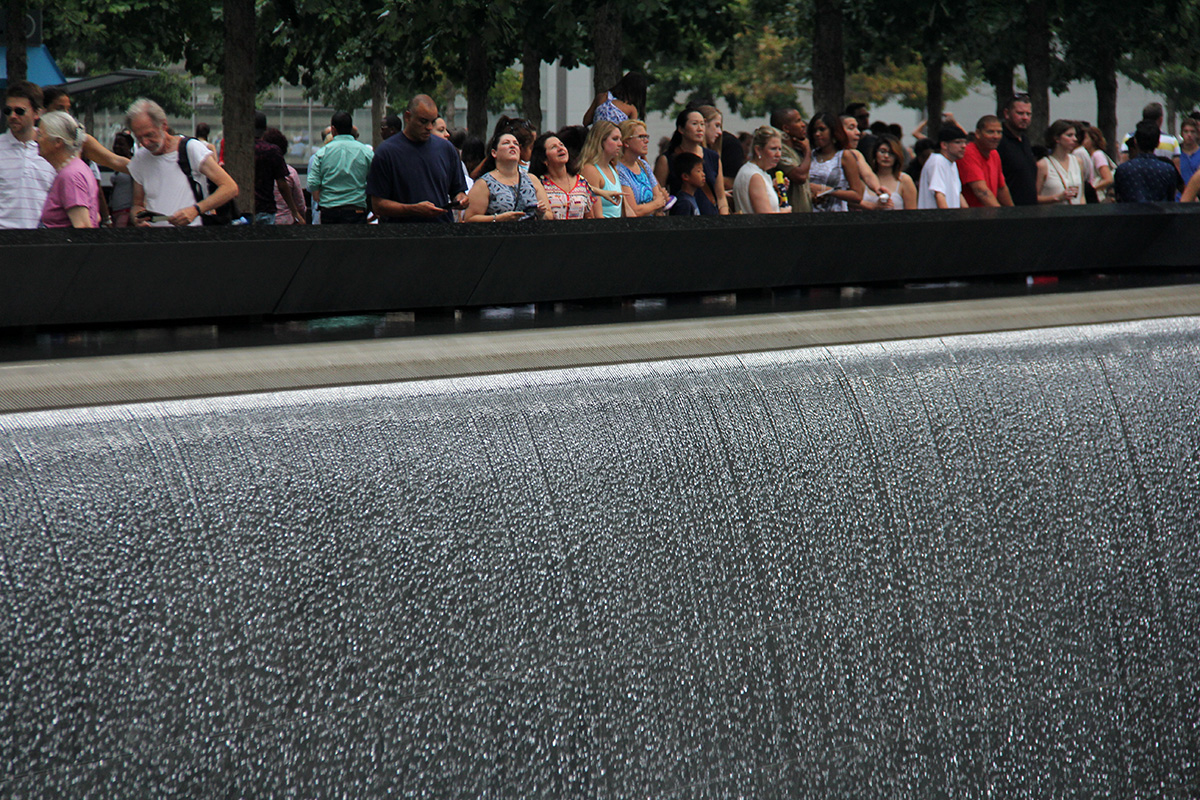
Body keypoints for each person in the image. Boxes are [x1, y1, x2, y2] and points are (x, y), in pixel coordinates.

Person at [126, 97, 239, 227]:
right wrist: (138, 217)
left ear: (163, 125)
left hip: (192, 234)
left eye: (149, 135)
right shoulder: (140, 158)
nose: (145, 142)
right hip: (157, 237)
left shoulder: (191, 148)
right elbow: (137, 204)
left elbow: (230, 187)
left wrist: (196, 210)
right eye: (139, 137)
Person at [365, 94, 467, 223]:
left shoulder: (446, 149)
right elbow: (377, 205)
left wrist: (461, 199)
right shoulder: (386, 152)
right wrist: (412, 209)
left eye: (432, 122)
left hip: (440, 230)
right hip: (401, 232)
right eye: (423, 121)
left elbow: (458, 190)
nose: (429, 127)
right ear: (408, 117)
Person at [1, 81, 56, 229]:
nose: (12, 116)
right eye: (8, 110)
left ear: (37, 113)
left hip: (41, 237)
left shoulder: (52, 147)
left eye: (19, 111)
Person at [462, 131, 551, 222]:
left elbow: (549, 215)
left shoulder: (532, 179)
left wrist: (541, 214)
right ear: (494, 153)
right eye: (506, 143)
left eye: (516, 144)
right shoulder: (484, 183)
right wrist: (498, 218)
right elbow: (469, 219)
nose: (512, 146)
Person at [40, 85, 131, 174]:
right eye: (59, 108)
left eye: (67, 109)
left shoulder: (79, 139)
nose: (65, 113)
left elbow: (115, 161)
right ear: (43, 109)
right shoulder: (36, 139)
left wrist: (138, 170)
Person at [654, 108, 728, 215]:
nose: (700, 129)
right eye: (694, 124)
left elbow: (721, 198)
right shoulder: (667, 159)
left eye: (702, 124)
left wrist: (724, 219)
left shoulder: (713, 157)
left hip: (712, 219)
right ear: (681, 129)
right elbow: (657, 195)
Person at [35, 111, 100, 228]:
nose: (36, 140)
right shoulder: (76, 168)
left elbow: (83, 227)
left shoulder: (70, 175)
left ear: (58, 142)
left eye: (40, 135)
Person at [308, 111, 374, 224]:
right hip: (356, 209)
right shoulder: (366, 152)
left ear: (333, 129)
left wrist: (319, 197)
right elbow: (375, 179)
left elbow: (313, 182)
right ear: (351, 128)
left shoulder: (322, 153)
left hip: (329, 210)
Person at [528, 132, 594, 219]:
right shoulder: (539, 184)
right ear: (544, 159)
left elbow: (589, 217)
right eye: (553, 147)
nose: (560, 148)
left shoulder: (582, 182)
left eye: (561, 145)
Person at [253, 111, 304, 224]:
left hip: (243, 209)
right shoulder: (271, 150)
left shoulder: (241, 149)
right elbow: (282, 184)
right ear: (265, 129)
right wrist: (294, 212)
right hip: (265, 208)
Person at [806, 111, 862, 212]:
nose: (817, 134)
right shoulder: (810, 156)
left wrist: (826, 190)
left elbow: (857, 195)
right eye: (814, 131)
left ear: (833, 131)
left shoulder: (844, 156)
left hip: (836, 214)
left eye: (822, 129)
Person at [1114, 120, 1180, 203]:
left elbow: (1119, 197)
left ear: (1135, 142)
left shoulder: (1123, 169)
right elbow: (1171, 198)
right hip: (1159, 210)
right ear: (1158, 143)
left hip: (1131, 210)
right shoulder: (1168, 170)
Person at [732, 125, 790, 214]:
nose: (778, 154)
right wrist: (785, 211)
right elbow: (766, 217)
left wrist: (773, 188)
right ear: (758, 150)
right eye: (773, 149)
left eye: (780, 149)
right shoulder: (755, 176)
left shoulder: (753, 171)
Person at [616, 119, 668, 216]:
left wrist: (652, 206)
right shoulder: (619, 170)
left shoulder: (643, 165)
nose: (646, 141)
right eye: (641, 137)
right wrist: (655, 204)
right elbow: (634, 211)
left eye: (646, 136)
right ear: (626, 142)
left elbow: (660, 199)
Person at [958, 115, 1012, 207]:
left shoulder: (994, 154)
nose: (996, 136)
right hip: (973, 214)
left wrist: (1013, 212)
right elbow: (981, 191)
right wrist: (999, 213)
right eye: (990, 132)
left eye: (999, 132)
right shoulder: (968, 153)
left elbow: (1001, 188)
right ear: (978, 133)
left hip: (988, 213)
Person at [996, 94, 1038, 205]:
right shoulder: (998, 140)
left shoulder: (1025, 140)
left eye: (1028, 114)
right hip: (1009, 209)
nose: (1025, 118)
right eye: (1020, 113)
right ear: (1007, 114)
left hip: (1030, 209)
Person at [579, 120, 626, 218]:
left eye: (620, 139)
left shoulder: (612, 167)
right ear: (600, 141)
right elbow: (597, 216)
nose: (620, 144)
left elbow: (625, 209)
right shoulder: (590, 170)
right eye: (615, 139)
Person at [770, 108, 812, 212]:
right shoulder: (780, 151)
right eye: (798, 121)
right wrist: (808, 151)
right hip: (790, 213)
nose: (803, 125)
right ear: (786, 128)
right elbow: (800, 176)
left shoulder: (797, 149)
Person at [917, 125, 969, 209]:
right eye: (958, 142)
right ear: (944, 145)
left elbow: (958, 194)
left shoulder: (952, 163)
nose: (963, 146)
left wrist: (968, 215)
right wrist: (947, 216)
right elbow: (939, 194)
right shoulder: (937, 161)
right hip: (937, 217)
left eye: (965, 142)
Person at [263, 128, 306, 225]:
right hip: (286, 221)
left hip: (264, 220)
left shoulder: (259, 172)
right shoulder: (291, 173)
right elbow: (299, 203)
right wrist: (300, 216)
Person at [1036, 119, 1085, 205]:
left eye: (1075, 135)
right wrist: (1057, 197)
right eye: (1069, 135)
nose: (1075, 139)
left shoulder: (1078, 162)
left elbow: (1081, 195)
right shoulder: (1043, 165)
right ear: (1057, 138)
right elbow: (1034, 197)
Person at [864, 133, 916, 210]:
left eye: (891, 153)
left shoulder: (905, 180)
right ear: (875, 153)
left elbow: (912, 212)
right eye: (882, 151)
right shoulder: (866, 178)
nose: (886, 156)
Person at [1082, 125, 1116, 202]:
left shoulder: (1097, 155)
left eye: (1085, 138)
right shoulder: (1090, 156)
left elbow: (1108, 179)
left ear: (1093, 139)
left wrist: (1092, 189)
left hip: (1100, 197)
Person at [109, 132, 136, 226]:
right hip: (115, 210)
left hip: (126, 211)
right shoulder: (114, 164)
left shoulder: (133, 165)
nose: (117, 147)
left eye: (121, 144)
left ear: (129, 146)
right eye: (115, 143)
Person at [669, 152, 705, 216]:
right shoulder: (684, 202)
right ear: (685, 176)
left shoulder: (690, 198)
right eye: (698, 171)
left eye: (702, 170)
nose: (703, 174)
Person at [1176, 117, 1199, 199]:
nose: (1189, 135)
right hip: (1178, 198)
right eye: (1186, 131)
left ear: (1197, 134)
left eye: (1192, 132)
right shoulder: (1176, 154)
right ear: (1181, 133)